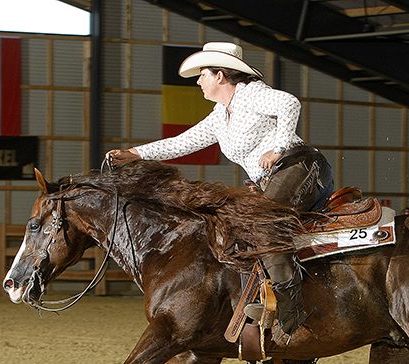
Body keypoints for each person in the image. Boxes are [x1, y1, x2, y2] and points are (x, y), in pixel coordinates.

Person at [107, 42, 334, 336]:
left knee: (262, 224)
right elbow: (181, 142)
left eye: (202, 74)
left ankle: (291, 310)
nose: (199, 81)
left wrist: (279, 148)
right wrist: (136, 153)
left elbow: (290, 103)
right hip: (276, 177)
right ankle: (262, 298)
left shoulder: (252, 94)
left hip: (300, 167)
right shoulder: (220, 115)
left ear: (220, 76)